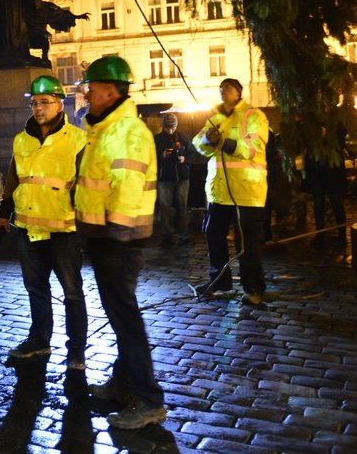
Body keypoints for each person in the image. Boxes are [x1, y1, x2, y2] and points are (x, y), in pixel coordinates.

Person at [74, 56, 166, 430]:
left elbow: (127, 191)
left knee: (126, 320)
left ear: (110, 92)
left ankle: (148, 399)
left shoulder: (126, 131)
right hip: (104, 237)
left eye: (91, 89)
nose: (86, 95)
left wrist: (116, 236)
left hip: (118, 240)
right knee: (119, 316)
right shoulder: (102, 128)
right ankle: (123, 383)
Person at [0, 76, 88, 370]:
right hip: (27, 227)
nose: (38, 108)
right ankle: (39, 340)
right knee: (36, 289)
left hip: (64, 229)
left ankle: (76, 351)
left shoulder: (77, 139)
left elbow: (85, 184)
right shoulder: (21, 140)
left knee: (72, 292)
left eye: (44, 102)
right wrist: (3, 211)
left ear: (60, 104)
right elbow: (13, 178)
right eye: (34, 102)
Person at [192, 78, 268, 306]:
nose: (223, 92)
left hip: (246, 191)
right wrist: (208, 138)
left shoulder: (253, 116)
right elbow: (198, 143)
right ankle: (220, 282)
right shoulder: (215, 116)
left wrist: (225, 142)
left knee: (247, 244)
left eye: (228, 89)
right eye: (221, 89)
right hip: (219, 192)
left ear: (239, 92)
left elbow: (253, 149)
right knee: (214, 235)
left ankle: (253, 288)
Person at [154, 113, 191, 246]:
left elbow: (191, 154)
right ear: (163, 126)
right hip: (164, 178)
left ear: (176, 125)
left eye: (173, 127)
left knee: (182, 207)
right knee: (165, 207)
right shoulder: (157, 139)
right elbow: (151, 157)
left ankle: (183, 234)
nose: (170, 130)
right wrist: (161, 155)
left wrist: (184, 159)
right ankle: (167, 235)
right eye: (168, 127)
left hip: (182, 177)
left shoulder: (183, 138)